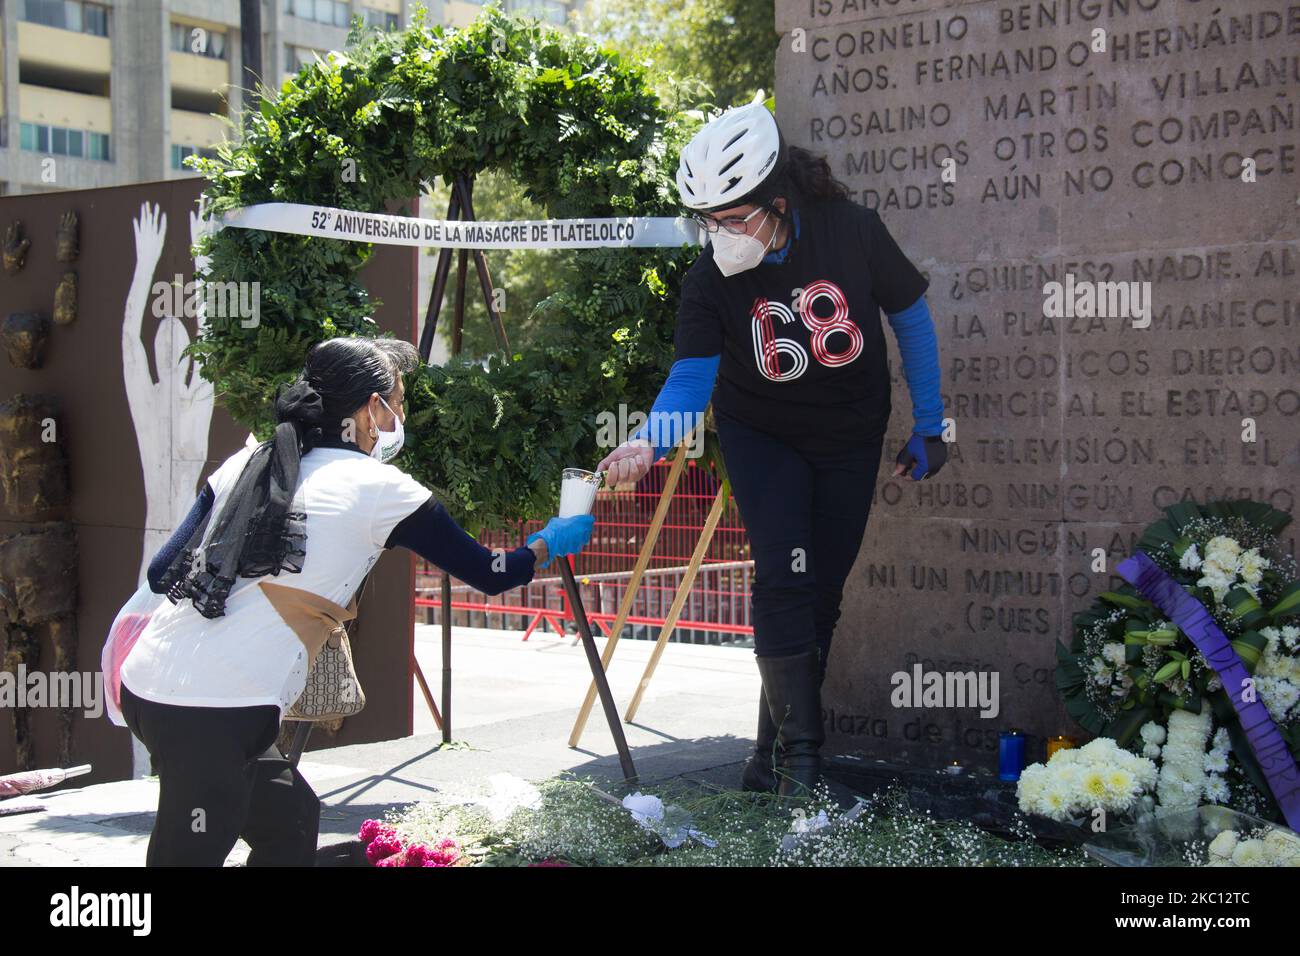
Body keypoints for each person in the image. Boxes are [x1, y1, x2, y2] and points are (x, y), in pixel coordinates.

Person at [118, 336, 595, 865]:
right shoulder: (381, 490)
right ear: (373, 408)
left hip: (151, 683)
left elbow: (163, 572)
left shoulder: (249, 461)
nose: (403, 412)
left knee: (289, 820)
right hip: (213, 711)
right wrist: (550, 541)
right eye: (400, 399)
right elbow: (490, 573)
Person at [596, 97, 948, 798]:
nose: (719, 235)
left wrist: (931, 425)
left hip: (849, 436)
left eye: (732, 219)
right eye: (707, 222)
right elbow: (691, 382)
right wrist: (644, 446)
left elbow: (910, 317)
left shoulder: (852, 231)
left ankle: (769, 758)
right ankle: (803, 774)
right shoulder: (707, 281)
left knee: (822, 594)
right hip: (763, 436)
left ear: (776, 202)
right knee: (785, 577)